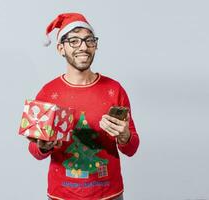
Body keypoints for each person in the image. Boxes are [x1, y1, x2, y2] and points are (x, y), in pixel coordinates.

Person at [28, 13, 140, 200]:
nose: (83, 47)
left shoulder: (114, 89)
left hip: (109, 195)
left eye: (89, 40)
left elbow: (132, 148)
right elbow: (35, 152)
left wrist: (124, 136)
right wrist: (44, 146)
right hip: (62, 195)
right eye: (74, 41)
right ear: (60, 49)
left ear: (95, 45)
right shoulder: (48, 92)